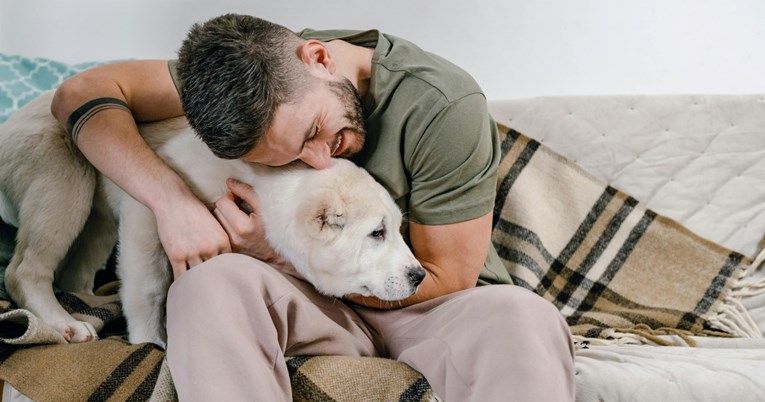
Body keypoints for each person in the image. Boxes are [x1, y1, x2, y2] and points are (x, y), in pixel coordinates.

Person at [51, 14, 575, 401]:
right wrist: (170, 201)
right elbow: (80, 93)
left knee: (522, 313)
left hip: (422, 306)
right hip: (303, 305)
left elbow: (449, 275)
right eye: (295, 156)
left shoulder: (440, 104)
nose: (321, 159)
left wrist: (277, 255)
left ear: (319, 58)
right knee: (207, 285)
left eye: (314, 132)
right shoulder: (237, 86)